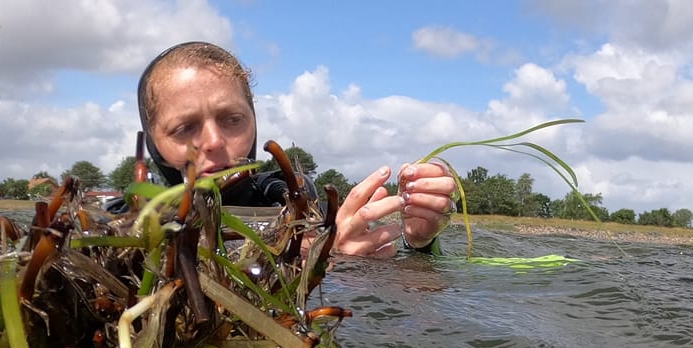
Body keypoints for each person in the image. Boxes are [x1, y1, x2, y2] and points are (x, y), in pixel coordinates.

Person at [130, 41, 456, 257]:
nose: (214, 141)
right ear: (152, 146)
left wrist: (418, 243)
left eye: (232, 119)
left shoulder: (291, 197)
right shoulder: (120, 225)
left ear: (254, 122)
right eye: (185, 128)